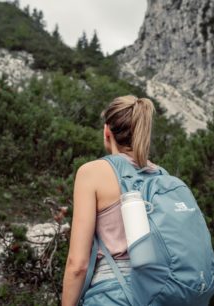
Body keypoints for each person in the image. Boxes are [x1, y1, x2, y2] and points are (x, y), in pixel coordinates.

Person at [61, 95, 157, 306]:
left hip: (113, 295)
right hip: (159, 293)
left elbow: (78, 264)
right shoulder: (161, 176)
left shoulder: (92, 173)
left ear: (107, 131)